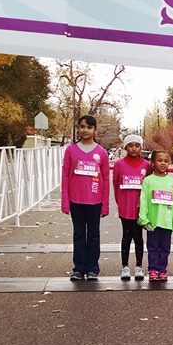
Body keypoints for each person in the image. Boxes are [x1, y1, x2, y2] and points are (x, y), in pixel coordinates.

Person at [61, 115, 110, 281]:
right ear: (78, 129)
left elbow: (105, 178)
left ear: (94, 130)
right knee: (79, 234)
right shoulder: (71, 150)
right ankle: (79, 268)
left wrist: (105, 205)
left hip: (95, 201)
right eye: (82, 127)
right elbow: (65, 175)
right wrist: (65, 201)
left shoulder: (101, 153)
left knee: (94, 235)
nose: (85, 130)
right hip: (76, 200)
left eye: (89, 127)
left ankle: (92, 269)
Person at [137, 151, 173, 282]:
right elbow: (143, 200)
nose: (163, 163)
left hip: (166, 222)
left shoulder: (172, 182)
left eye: (166, 161)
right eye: (159, 160)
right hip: (152, 222)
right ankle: (153, 269)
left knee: (165, 247)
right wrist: (143, 219)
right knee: (152, 246)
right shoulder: (148, 181)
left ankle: (162, 269)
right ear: (153, 163)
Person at [111, 134, 149, 281]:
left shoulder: (146, 165)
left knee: (138, 237)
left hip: (140, 209)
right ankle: (125, 266)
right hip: (125, 208)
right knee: (126, 237)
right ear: (126, 147)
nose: (134, 148)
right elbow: (115, 185)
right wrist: (119, 202)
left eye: (137, 145)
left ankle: (139, 266)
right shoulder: (120, 165)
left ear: (141, 147)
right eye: (131, 145)